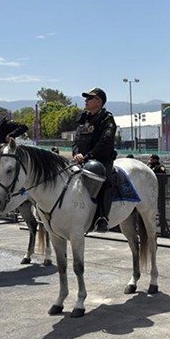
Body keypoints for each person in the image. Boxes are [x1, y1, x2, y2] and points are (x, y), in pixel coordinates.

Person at [73, 87, 117, 232]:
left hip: (101, 159)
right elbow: (76, 139)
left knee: (106, 181)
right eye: (86, 98)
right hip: (81, 159)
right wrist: (76, 153)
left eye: (89, 98)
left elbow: (105, 141)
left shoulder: (107, 119)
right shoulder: (83, 118)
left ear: (99, 102)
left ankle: (102, 218)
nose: (86, 100)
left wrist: (87, 156)